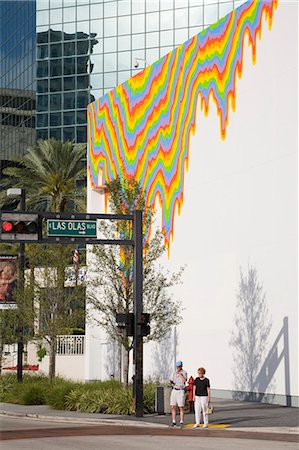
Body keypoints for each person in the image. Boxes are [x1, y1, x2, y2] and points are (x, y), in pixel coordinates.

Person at [169, 360, 187, 428]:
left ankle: (181, 421)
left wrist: (180, 374)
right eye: (177, 367)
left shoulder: (184, 372)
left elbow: (184, 380)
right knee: (173, 406)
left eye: (179, 367)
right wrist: (171, 381)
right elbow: (171, 380)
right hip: (174, 389)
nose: (177, 368)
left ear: (181, 366)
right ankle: (174, 421)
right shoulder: (174, 373)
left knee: (181, 406)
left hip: (180, 390)